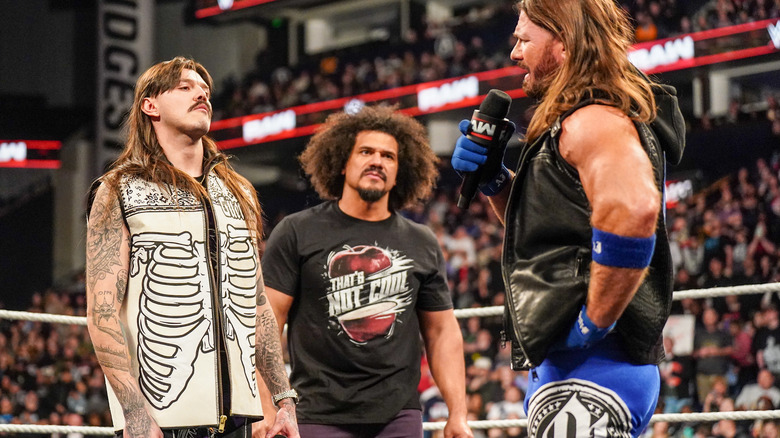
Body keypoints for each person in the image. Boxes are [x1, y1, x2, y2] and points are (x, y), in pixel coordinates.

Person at [450, 0, 685, 436]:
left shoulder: (593, 118)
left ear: (562, 43)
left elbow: (635, 211)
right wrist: (496, 180)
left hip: (594, 371)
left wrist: (594, 320)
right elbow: (549, 231)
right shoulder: (579, 118)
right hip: (582, 370)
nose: (514, 53)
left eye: (523, 39)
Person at [85, 57, 298, 438]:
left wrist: (283, 401)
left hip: (237, 418)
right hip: (159, 420)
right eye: (184, 87)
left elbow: (257, 305)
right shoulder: (118, 190)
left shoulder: (240, 192)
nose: (201, 93)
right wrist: (134, 414)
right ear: (150, 106)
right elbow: (102, 312)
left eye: (204, 89)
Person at [259, 105, 472, 437]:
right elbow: (266, 324)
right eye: (366, 152)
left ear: (400, 171)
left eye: (388, 156)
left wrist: (458, 412)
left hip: (398, 416)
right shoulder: (297, 232)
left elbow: (442, 332)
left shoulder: (421, 241)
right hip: (317, 414)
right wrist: (267, 405)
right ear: (343, 163)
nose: (377, 160)